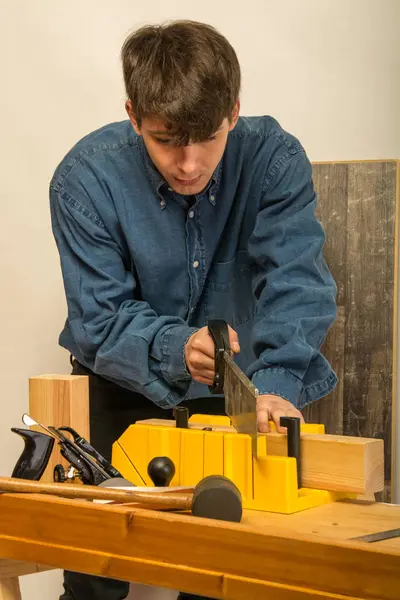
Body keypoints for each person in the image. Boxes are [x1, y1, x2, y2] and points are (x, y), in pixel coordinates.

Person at [49, 19, 337, 600]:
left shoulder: (275, 161)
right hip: (121, 378)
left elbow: (297, 283)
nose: (188, 163)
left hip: (239, 388)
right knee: (92, 563)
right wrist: (175, 346)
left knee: (220, 568)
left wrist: (278, 384)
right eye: (165, 140)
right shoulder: (82, 180)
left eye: (206, 137)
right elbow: (99, 321)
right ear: (132, 116)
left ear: (233, 109)